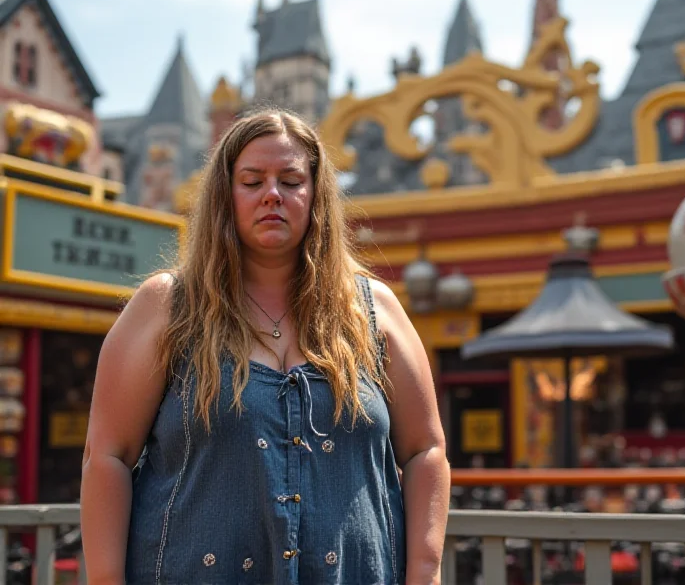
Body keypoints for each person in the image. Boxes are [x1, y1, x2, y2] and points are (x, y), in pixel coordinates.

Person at [80, 109, 450, 585]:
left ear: (316, 195)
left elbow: (425, 451)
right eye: (252, 181)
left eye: (291, 181)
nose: (272, 194)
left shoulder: (372, 309)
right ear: (224, 196)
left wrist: (425, 571)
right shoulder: (167, 306)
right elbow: (107, 455)